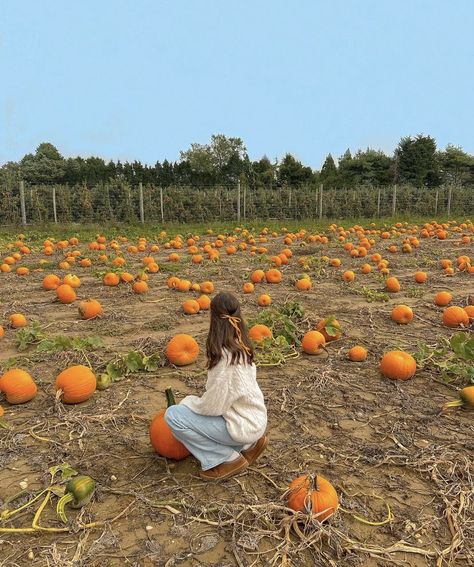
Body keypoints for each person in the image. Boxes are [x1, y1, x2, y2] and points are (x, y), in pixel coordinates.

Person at [165, 291, 268, 480]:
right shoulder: (242, 346)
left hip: (242, 427)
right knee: (202, 412)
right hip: (255, 420)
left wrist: (187, 404)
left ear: (214, 318)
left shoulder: (225, 359)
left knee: (173, 415)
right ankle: (249, 446)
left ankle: (225, 459)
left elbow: (213, 407)